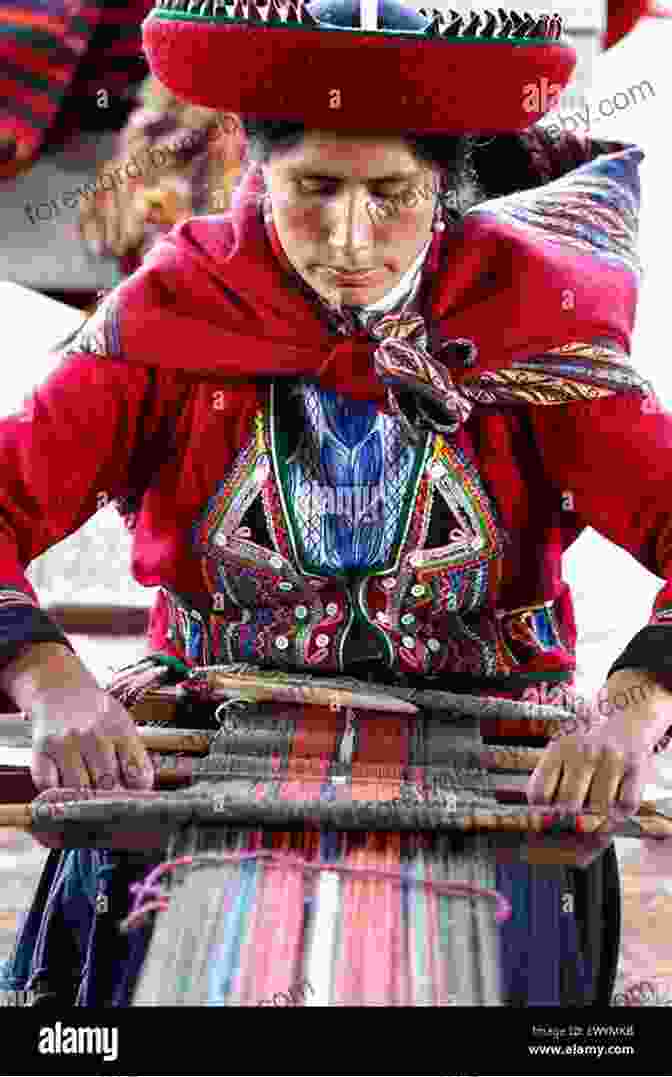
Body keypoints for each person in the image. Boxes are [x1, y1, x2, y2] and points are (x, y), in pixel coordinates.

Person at [0, 0, 671, 1007]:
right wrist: (52, 682)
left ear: (444, 187)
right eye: (313, 188)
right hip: (208, 733)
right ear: (253, 172)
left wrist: (631, 710)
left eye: (392, 194)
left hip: (493, 759)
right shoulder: (176, 312)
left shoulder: (527, 316)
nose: (352, 238)